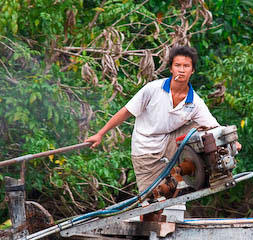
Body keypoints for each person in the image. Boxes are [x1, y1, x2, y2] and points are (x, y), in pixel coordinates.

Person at [86, 45, 241, 193]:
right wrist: (100, 134)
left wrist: (232, 143)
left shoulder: (194, 102)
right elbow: (126, 111)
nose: (181, 70)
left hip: (169, 143)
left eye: (186, 66)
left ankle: (214, 175)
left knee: (203, 131)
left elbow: (213, 126)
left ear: (192, 70)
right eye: (177, 65)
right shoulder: (153, 89)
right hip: (145, 150)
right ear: (171, 69)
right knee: (150, 200)